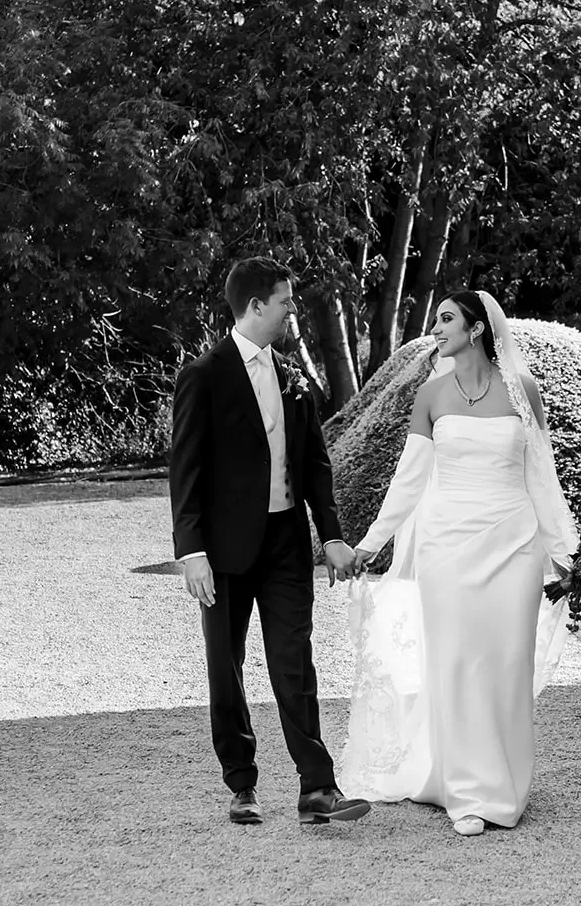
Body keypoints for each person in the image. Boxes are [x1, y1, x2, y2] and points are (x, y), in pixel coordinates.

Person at [341, 289, 578, 836]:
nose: (437, 327)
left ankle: (505, 788)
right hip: (447, 546)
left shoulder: (523, 391)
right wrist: (371, 545)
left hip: (514, 545)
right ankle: (467, 793)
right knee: (456, 663)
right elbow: (410, 480)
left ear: (476, 329)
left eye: (447, 319)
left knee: (505, 664)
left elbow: (542, 476)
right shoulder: (431, 394)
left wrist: (568, 556)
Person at [170, 256, 370, 827]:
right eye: (284, 300)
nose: (291, 310)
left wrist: (330, 535)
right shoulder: (203, 375)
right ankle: (242, 784)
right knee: (225, 668)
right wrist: (193, 553)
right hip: (224, 551)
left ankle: (317, 788)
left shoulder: (294, 376)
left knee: (294, 661)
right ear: (256, 306)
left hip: (285, 542)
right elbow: (185, 471)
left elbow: (314, 463)